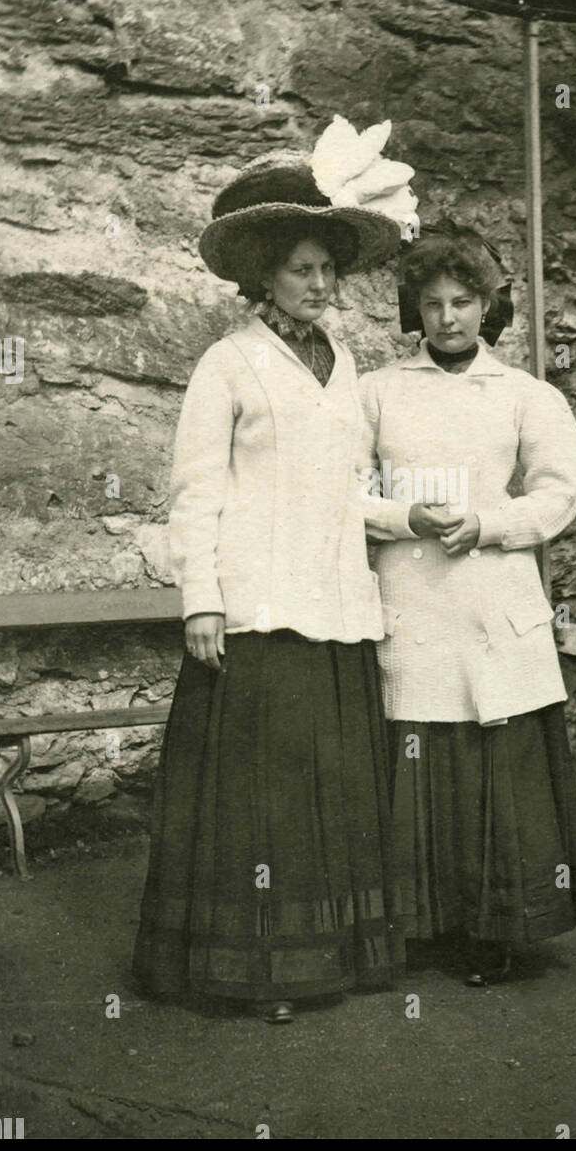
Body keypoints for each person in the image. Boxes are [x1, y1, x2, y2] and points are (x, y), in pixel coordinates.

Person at [133, 118, 416, 1022]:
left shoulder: (347, 365)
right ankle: (258, 970)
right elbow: (195, 491)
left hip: (336, 609)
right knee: (263, 801)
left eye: (329, 269)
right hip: (256, 613)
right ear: (263, 273)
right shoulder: (227, 363)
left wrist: (413, 515)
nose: (321, 284)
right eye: (303, 269)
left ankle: (332, 954)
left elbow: (350, 490)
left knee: (333, 788)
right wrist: (201, 605)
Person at [358, 228, 576, 985]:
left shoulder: (528, 396)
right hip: (412, 604)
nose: (447, 317)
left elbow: (557, 495)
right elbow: (343, 490)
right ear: (413, 311)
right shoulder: (378, 391)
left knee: (495, 771)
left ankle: (496, 929)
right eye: (430, 304)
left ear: (487, 307)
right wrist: (406, 519)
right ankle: (417, 926)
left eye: (462, 302)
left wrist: (488, 524)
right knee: (419, 763)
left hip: (494, 607)